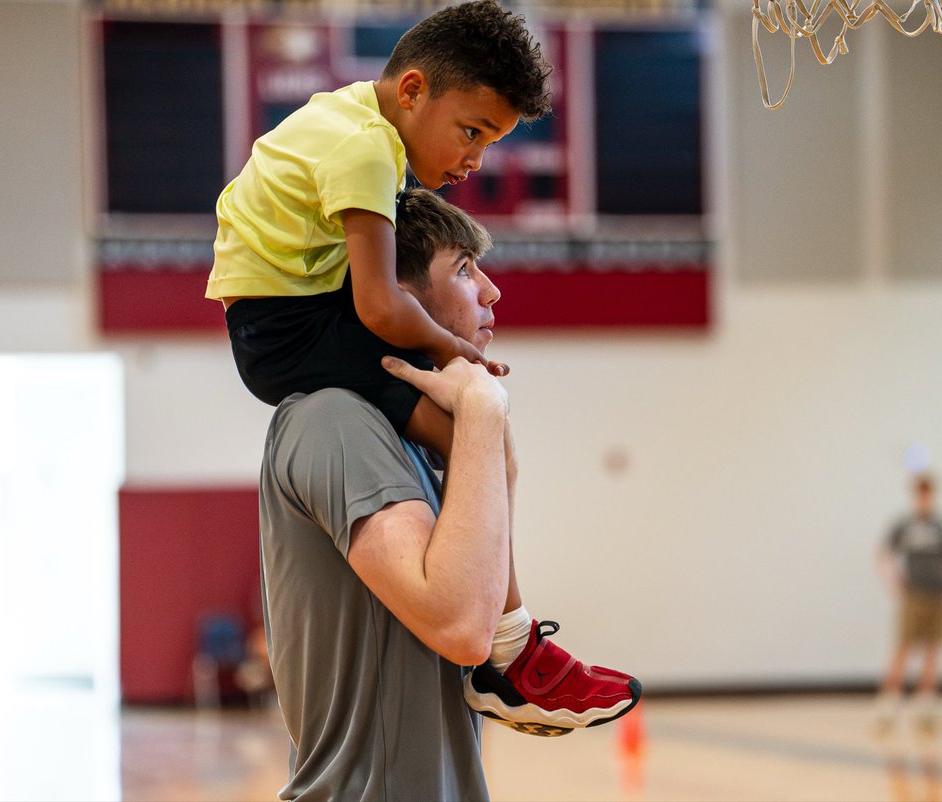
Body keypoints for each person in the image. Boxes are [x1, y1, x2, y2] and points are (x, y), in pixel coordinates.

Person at [207, 0, 637, 732]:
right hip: (287, 329)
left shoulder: (348, 118)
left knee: (479, 438)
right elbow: (378, 307)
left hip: (280, 316)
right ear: (412, 91)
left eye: (491, 143)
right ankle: (510, 655)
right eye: (471, 132)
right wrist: (458, 352)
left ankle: (511, 644)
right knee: (477, 434)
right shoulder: (368, 148)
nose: (475, 160)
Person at [259, 189, 640, 799]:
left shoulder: (411, 432)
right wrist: (486, 410)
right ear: (397, 297)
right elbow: (462, 626)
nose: (492, 291)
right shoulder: (335, 420)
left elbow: (477, 613)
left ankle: (518, 655)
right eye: (464, 269)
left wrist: (489, 438)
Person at [874, 474, 942, 734]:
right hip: (914, 595)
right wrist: (895, 582)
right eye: (920, 494)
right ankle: (888, 706)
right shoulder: (904, 525)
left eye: (928, 494)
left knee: (933, 651)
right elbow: (883, 553)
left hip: (937, 595)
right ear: (914, 496)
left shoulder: (940, 526)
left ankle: (925, 708)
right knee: (903, 648)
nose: (924, 499)